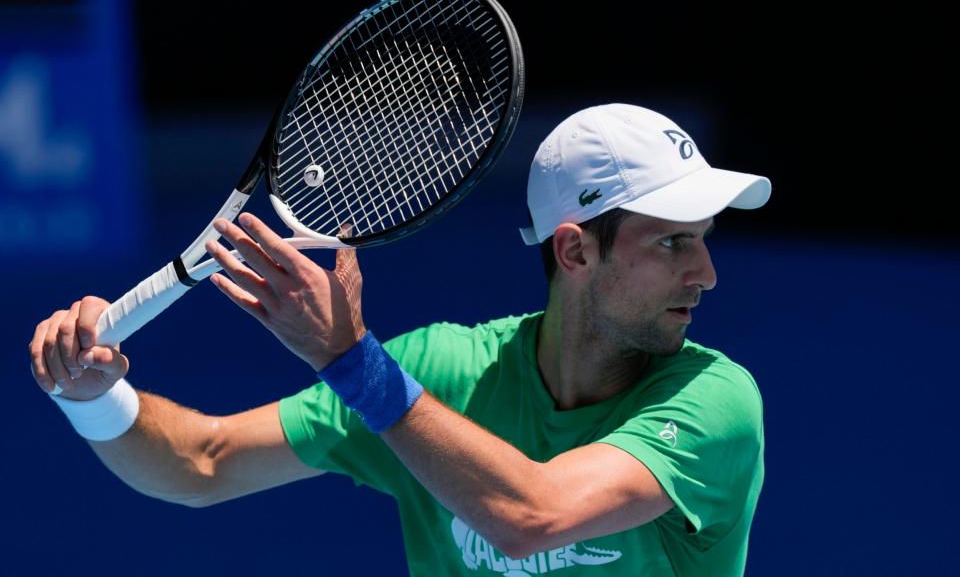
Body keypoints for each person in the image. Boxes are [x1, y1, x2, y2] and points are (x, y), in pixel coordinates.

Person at [29, 104, 771, 576]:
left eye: (702, 242)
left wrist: (353, 364)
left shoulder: (714, 402)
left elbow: (533, 518)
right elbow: (201, 464)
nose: (705, 273)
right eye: (673, 244)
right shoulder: (439, 372)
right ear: (575, 253)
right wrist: (94, 397)